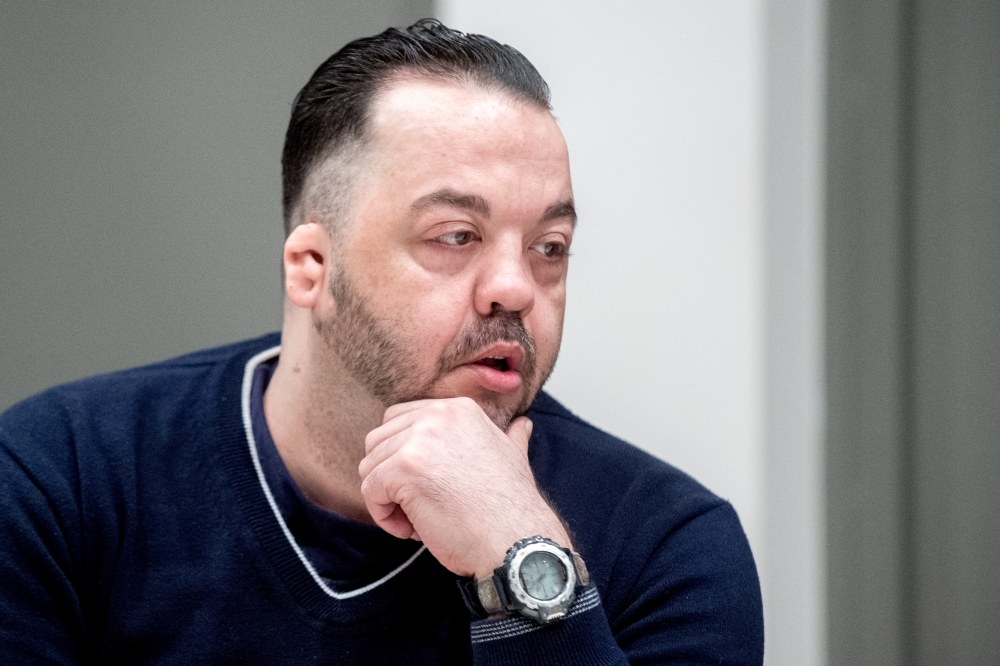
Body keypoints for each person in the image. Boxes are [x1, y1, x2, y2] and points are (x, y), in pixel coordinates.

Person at [0, 20, 763, 665]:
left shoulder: (669, 546)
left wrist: (524, 561)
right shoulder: (59, 482)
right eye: (455, 235)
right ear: (313, 269)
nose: (516, 288)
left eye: (550, 247)